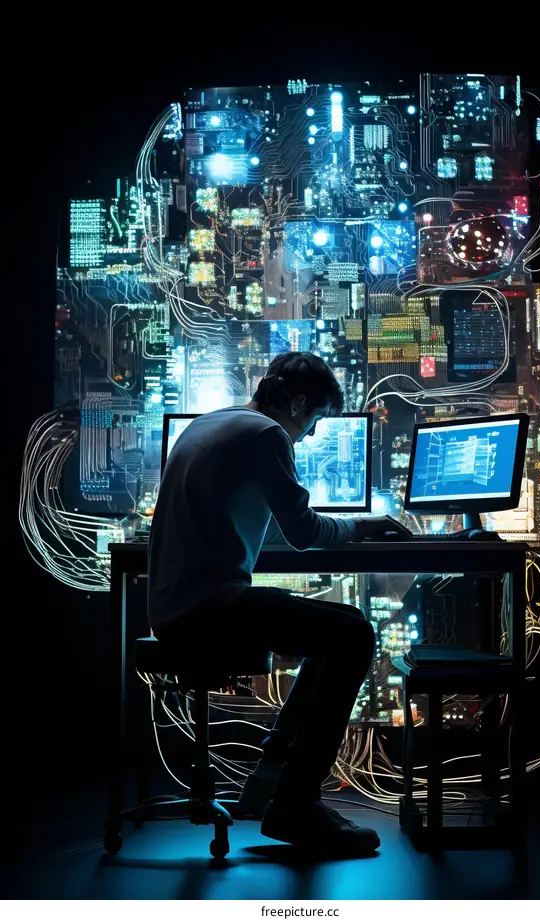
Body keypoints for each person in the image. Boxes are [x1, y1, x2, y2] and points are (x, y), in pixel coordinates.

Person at [148, 351, 410, 854]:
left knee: (339, 626)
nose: (310, 435)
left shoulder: (211, 424)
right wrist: (362, 525)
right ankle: (295, 803)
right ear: (297, 402)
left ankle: (272, 781)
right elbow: (303, 531)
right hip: (209, 612)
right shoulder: (265, 435)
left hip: (177, 610)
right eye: (314, 420)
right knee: (353, 633)